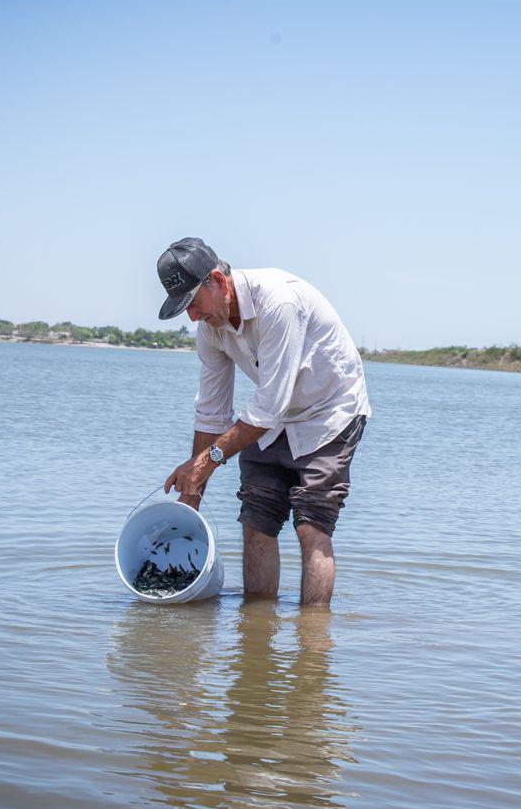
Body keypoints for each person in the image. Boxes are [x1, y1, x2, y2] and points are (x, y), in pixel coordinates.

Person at [154, 237, 370, 606]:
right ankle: (256, 630)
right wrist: (192, 494)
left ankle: (312, 639)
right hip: (271, 420)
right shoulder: (210, 329)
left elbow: (270, 403)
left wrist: (208, 461)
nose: (192, 316)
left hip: (329, 413)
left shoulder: (278, 302)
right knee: (256, 521)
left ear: (218, 282)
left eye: (193, 303)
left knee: (311, 524)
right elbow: (211, 410)